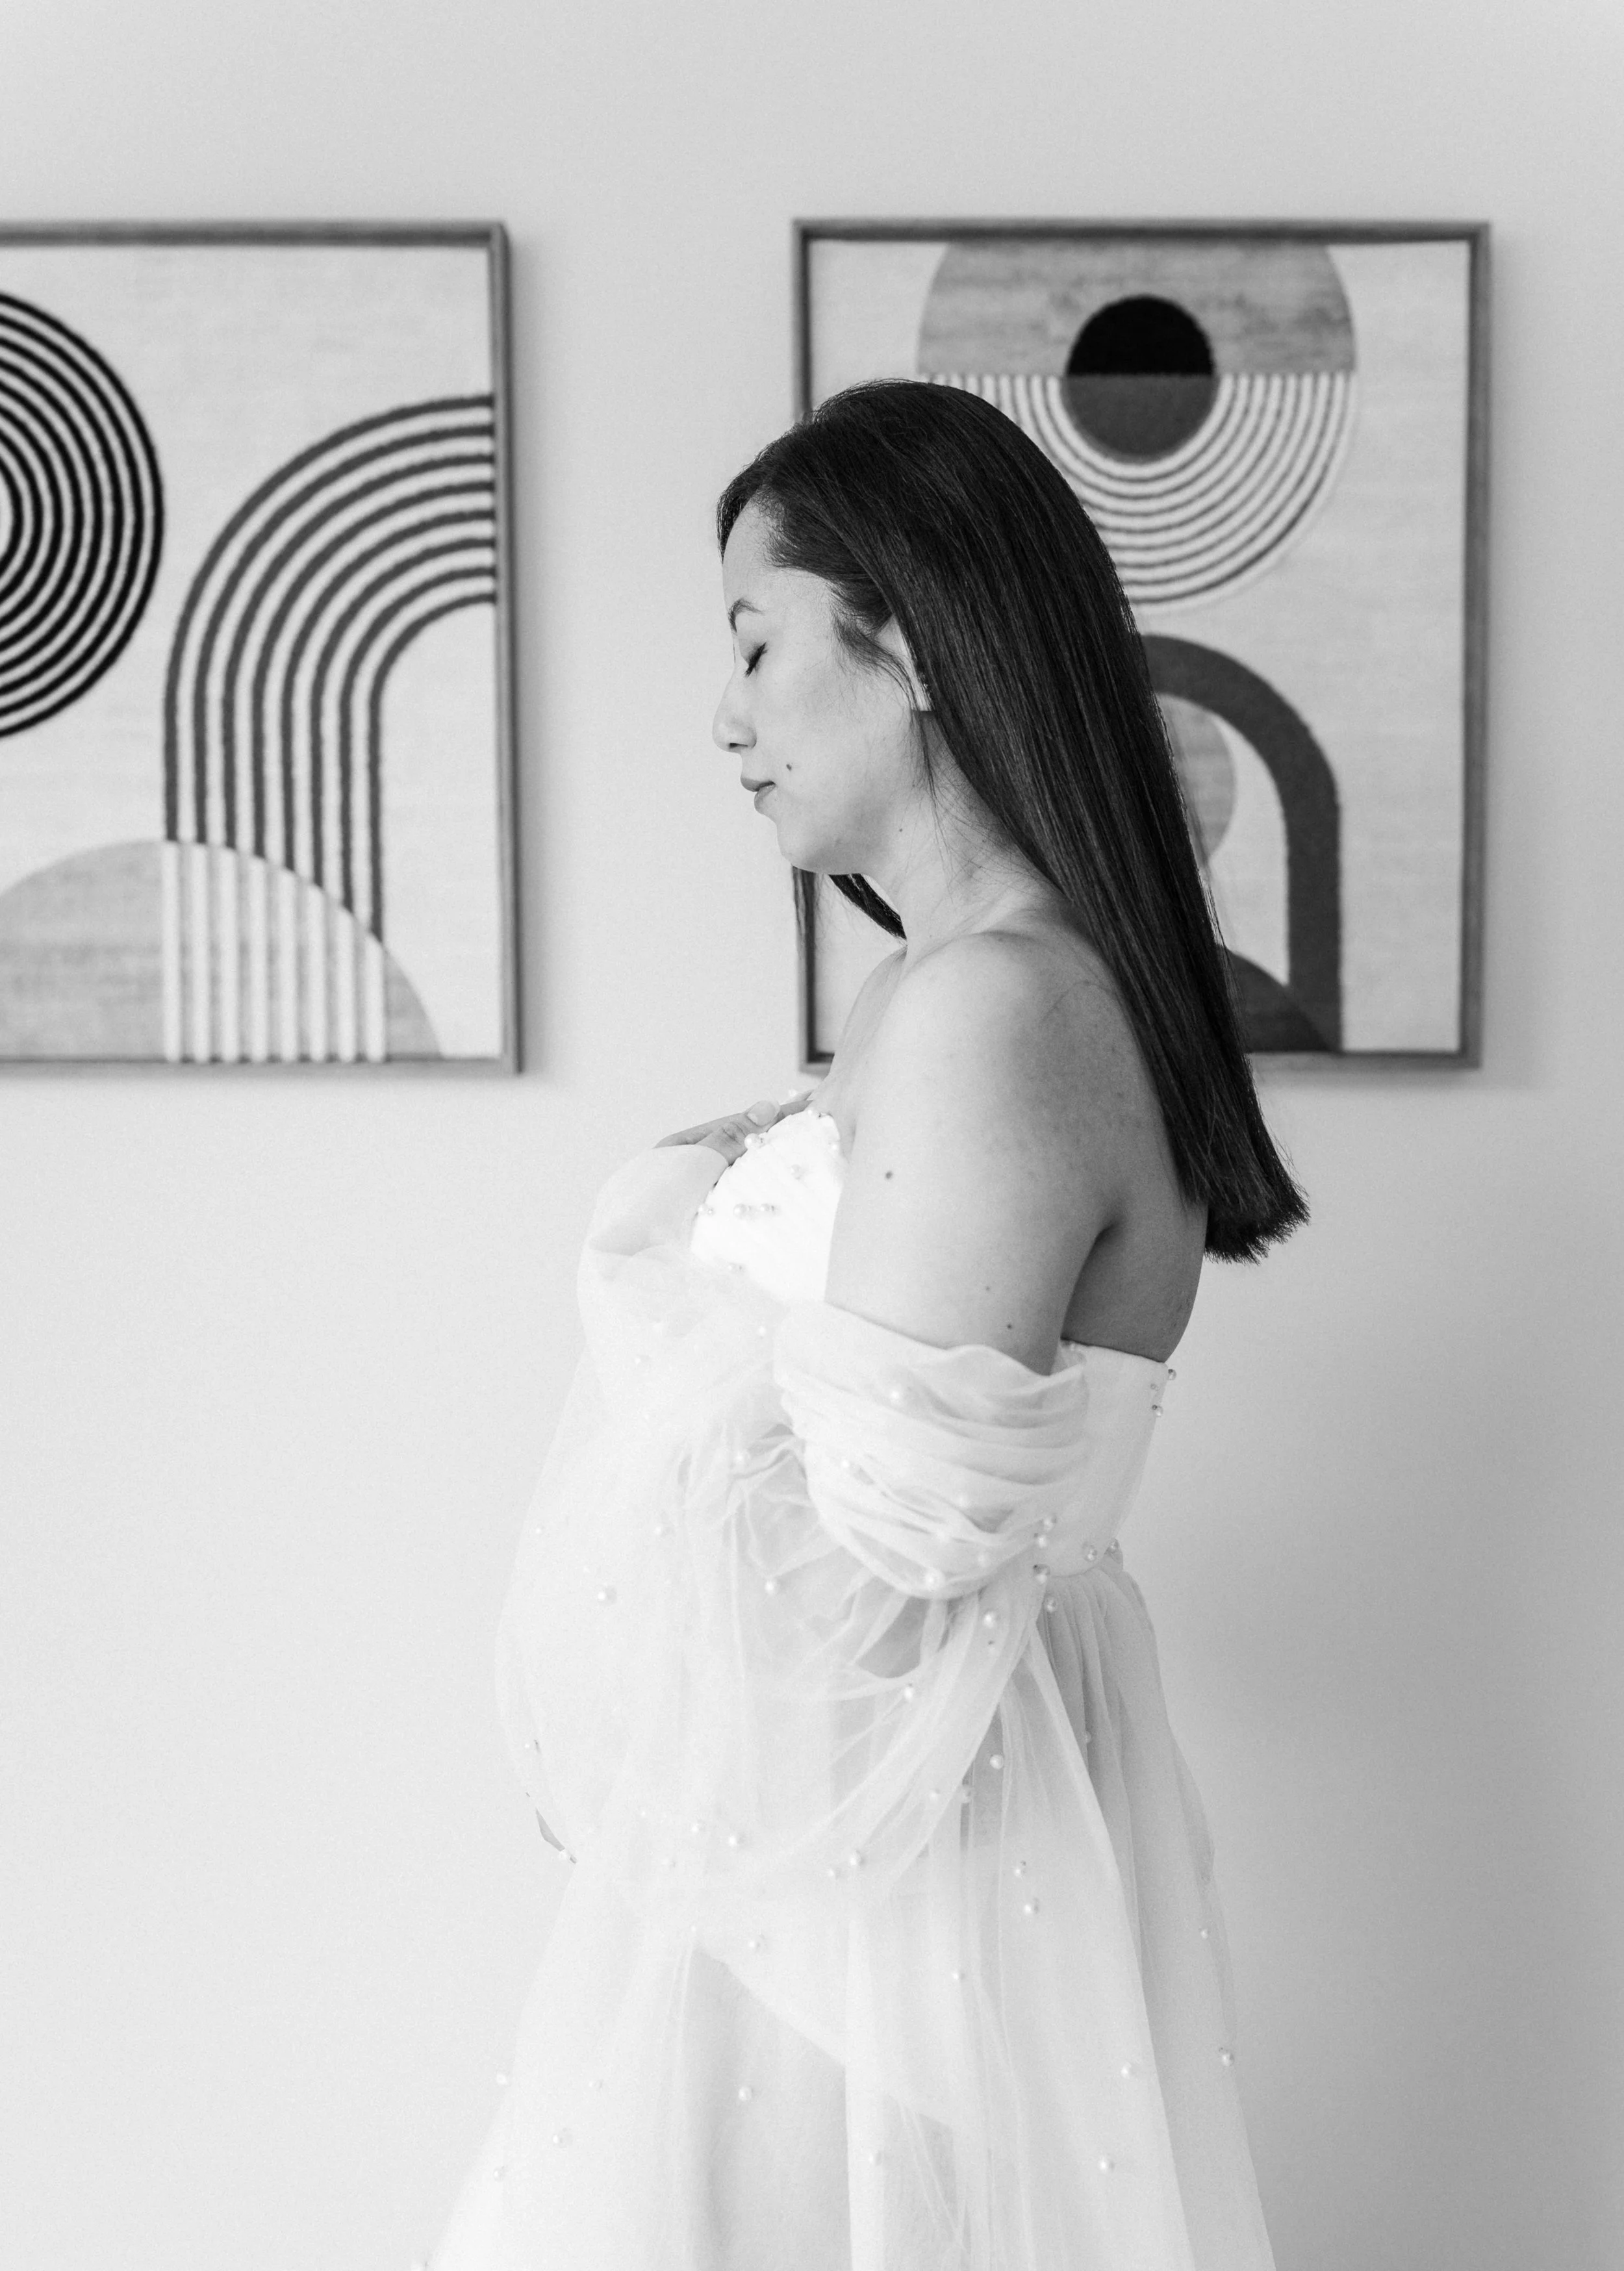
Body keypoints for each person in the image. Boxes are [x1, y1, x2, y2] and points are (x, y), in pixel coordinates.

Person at [425, 380, 1301, 2271]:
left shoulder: (990, 1003)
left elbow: (894, 1542)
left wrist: (655, 1254)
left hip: (885, 1855)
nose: (721, 719)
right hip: (886, 1827)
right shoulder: (974, 989)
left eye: (753, 642)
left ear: (897, 637)